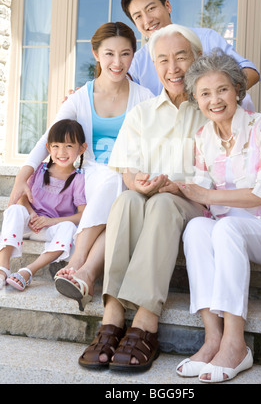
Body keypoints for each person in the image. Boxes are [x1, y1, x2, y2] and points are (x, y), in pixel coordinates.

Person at [78, 23, 206, 371]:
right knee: (128, 201)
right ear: (154, 65)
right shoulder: (142, 112)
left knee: (163, 202)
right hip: (148, 203)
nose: (173, 67)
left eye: (181, 57)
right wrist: (138, 182)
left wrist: (172, 186)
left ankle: (146, 322)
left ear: (197, 60)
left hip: (192, 204)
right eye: (162, 60)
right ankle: (113, 316)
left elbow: (214, 179)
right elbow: (127, 170)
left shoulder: (210, 109)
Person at [7, 22, 154, 310]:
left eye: (125, 54)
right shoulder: (80, 97)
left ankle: (78, 263)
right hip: (91, 175)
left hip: (128, 175)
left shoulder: (144, 98)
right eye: (109, 53)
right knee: (111, 184)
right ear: (96, 53)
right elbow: (49, 135)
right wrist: (24, 172)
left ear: (133, 55)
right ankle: (82, 271)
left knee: (117, 186)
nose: (117, 62)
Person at [175, 50, 261, 383]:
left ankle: (235, 342)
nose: (214, 100)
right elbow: (199, 194)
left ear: (237, 90)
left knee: (225, 227)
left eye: (222, 90)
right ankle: (212, 336)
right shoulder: (203, 139)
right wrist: (167, 186)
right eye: (204, 93)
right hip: (228, 232)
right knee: (197, 227)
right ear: (196, 100)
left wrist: (206, 195)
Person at [121, 0, 259, 109]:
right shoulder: (137, 62)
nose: (147, 20)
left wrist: (216, 100)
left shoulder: (206, 38)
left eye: (151, 9)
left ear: (167, 6)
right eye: (138, 16)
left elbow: (250, 72)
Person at [0, 120, 87, 296]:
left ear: (81, 149)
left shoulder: (78, 179)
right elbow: (23, 198)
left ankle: (28, 271)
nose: (61, 152)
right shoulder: (39, 169)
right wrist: (32, 214)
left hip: (51, 228)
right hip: (28, 225)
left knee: (70, 227)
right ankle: (3, 267)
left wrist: (51, 221)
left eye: (69, 145)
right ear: (48, 147)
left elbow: (82, 215)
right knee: (15, 210)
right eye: (56, 146)